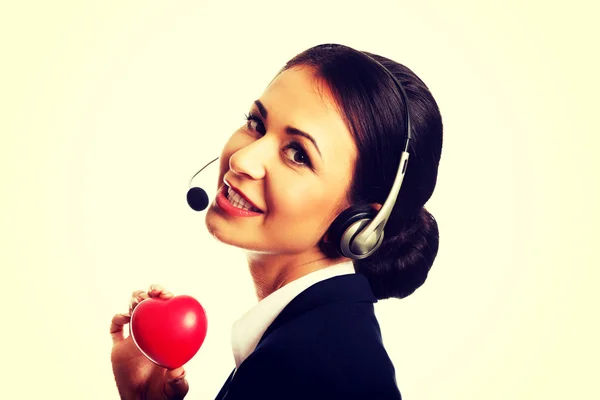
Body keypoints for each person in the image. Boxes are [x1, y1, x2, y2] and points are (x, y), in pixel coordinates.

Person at [109, 43, 443, 399]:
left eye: (298, 154)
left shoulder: (303, 369)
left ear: (363, 221)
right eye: (256, 124)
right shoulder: (316, 343)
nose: (242, 160)